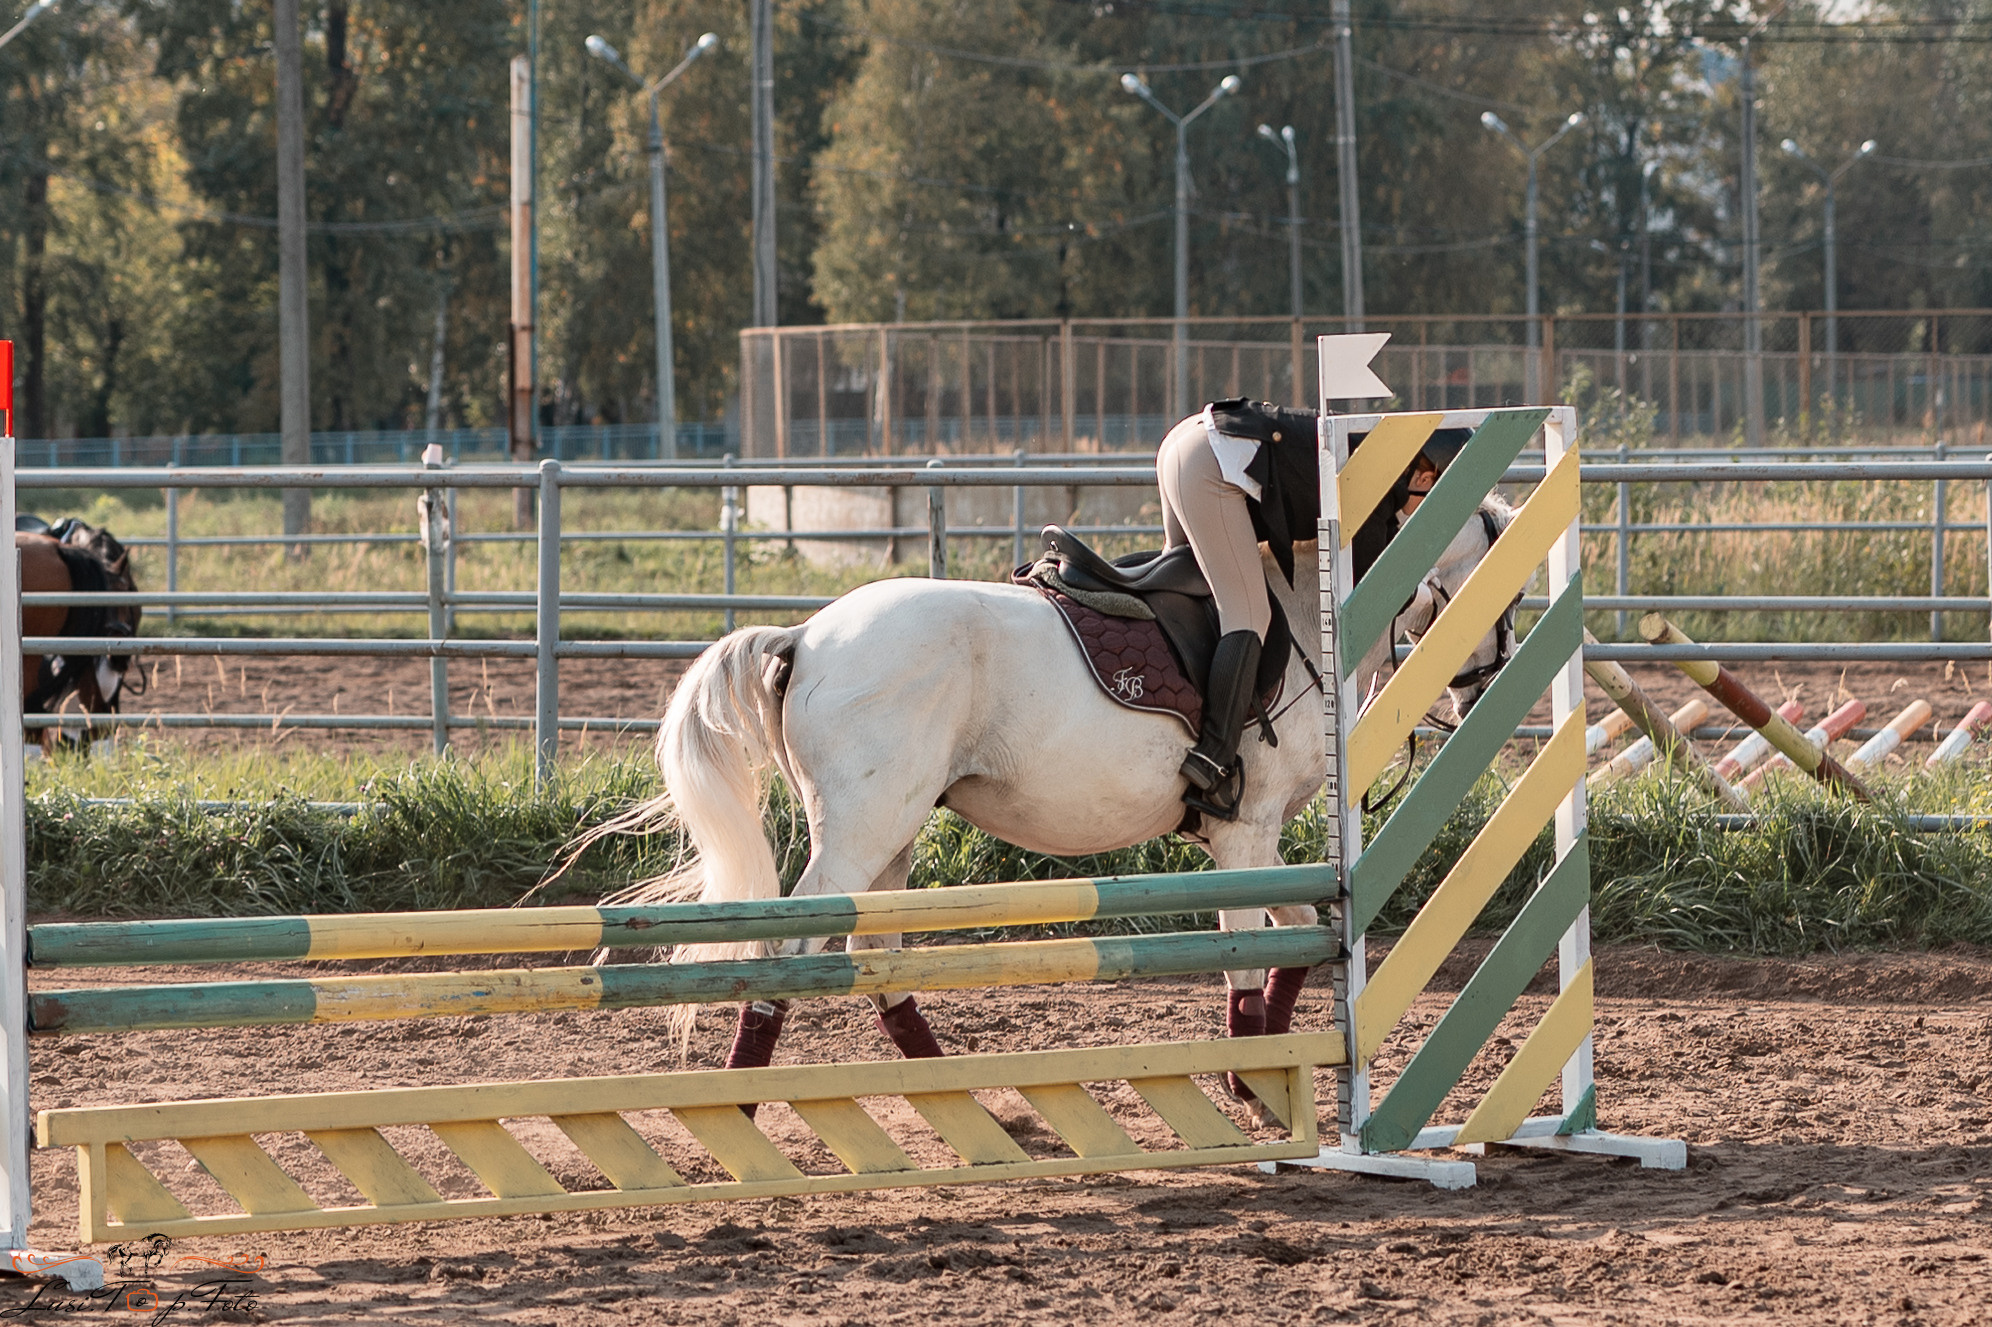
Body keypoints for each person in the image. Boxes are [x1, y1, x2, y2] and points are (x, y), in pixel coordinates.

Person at [1156, 397, 1462, 821]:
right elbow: (1369, 593)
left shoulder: (1371, 461)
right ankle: (1212, 760)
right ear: (1425, 476)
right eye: (1435, 494)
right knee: (1248, 617)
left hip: (1186, 443)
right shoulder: (1375, 493)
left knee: (1195, 603)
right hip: (1213, 464)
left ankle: (1167, 734)